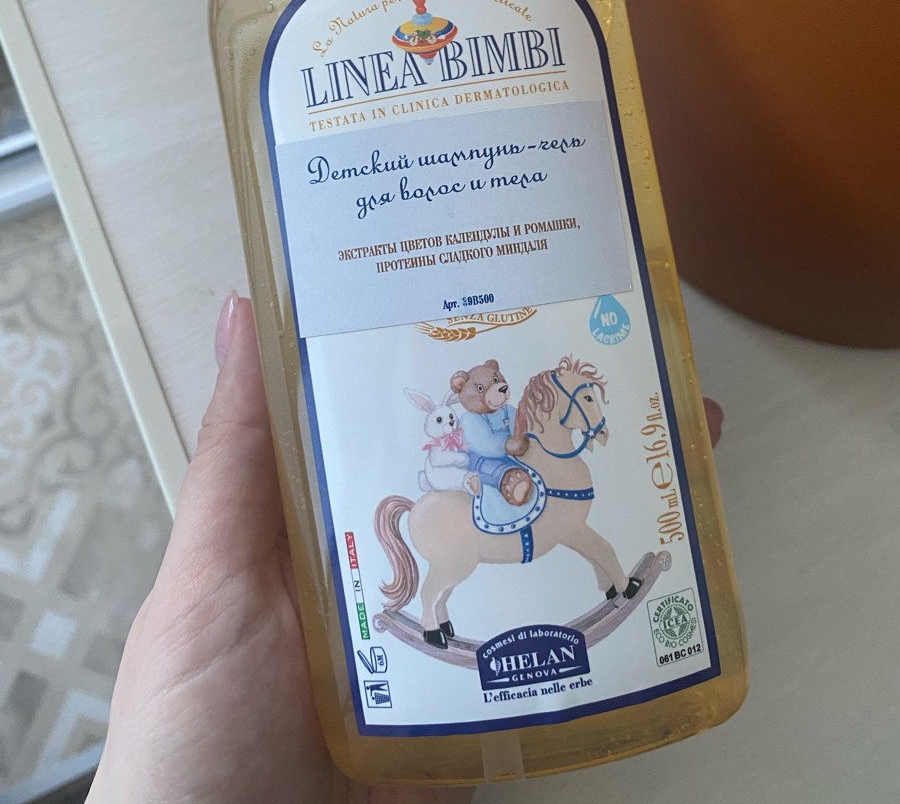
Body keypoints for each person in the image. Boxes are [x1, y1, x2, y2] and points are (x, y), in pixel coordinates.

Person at [86, 295, 723, 803]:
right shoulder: (468, 418)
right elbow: (482, 446)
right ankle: (441, 608)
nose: (497, 394)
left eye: (500, 388)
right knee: (492, 513)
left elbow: (514, 428)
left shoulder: (505, 409)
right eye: (489, 389)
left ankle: (603, 576)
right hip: (484, 474)